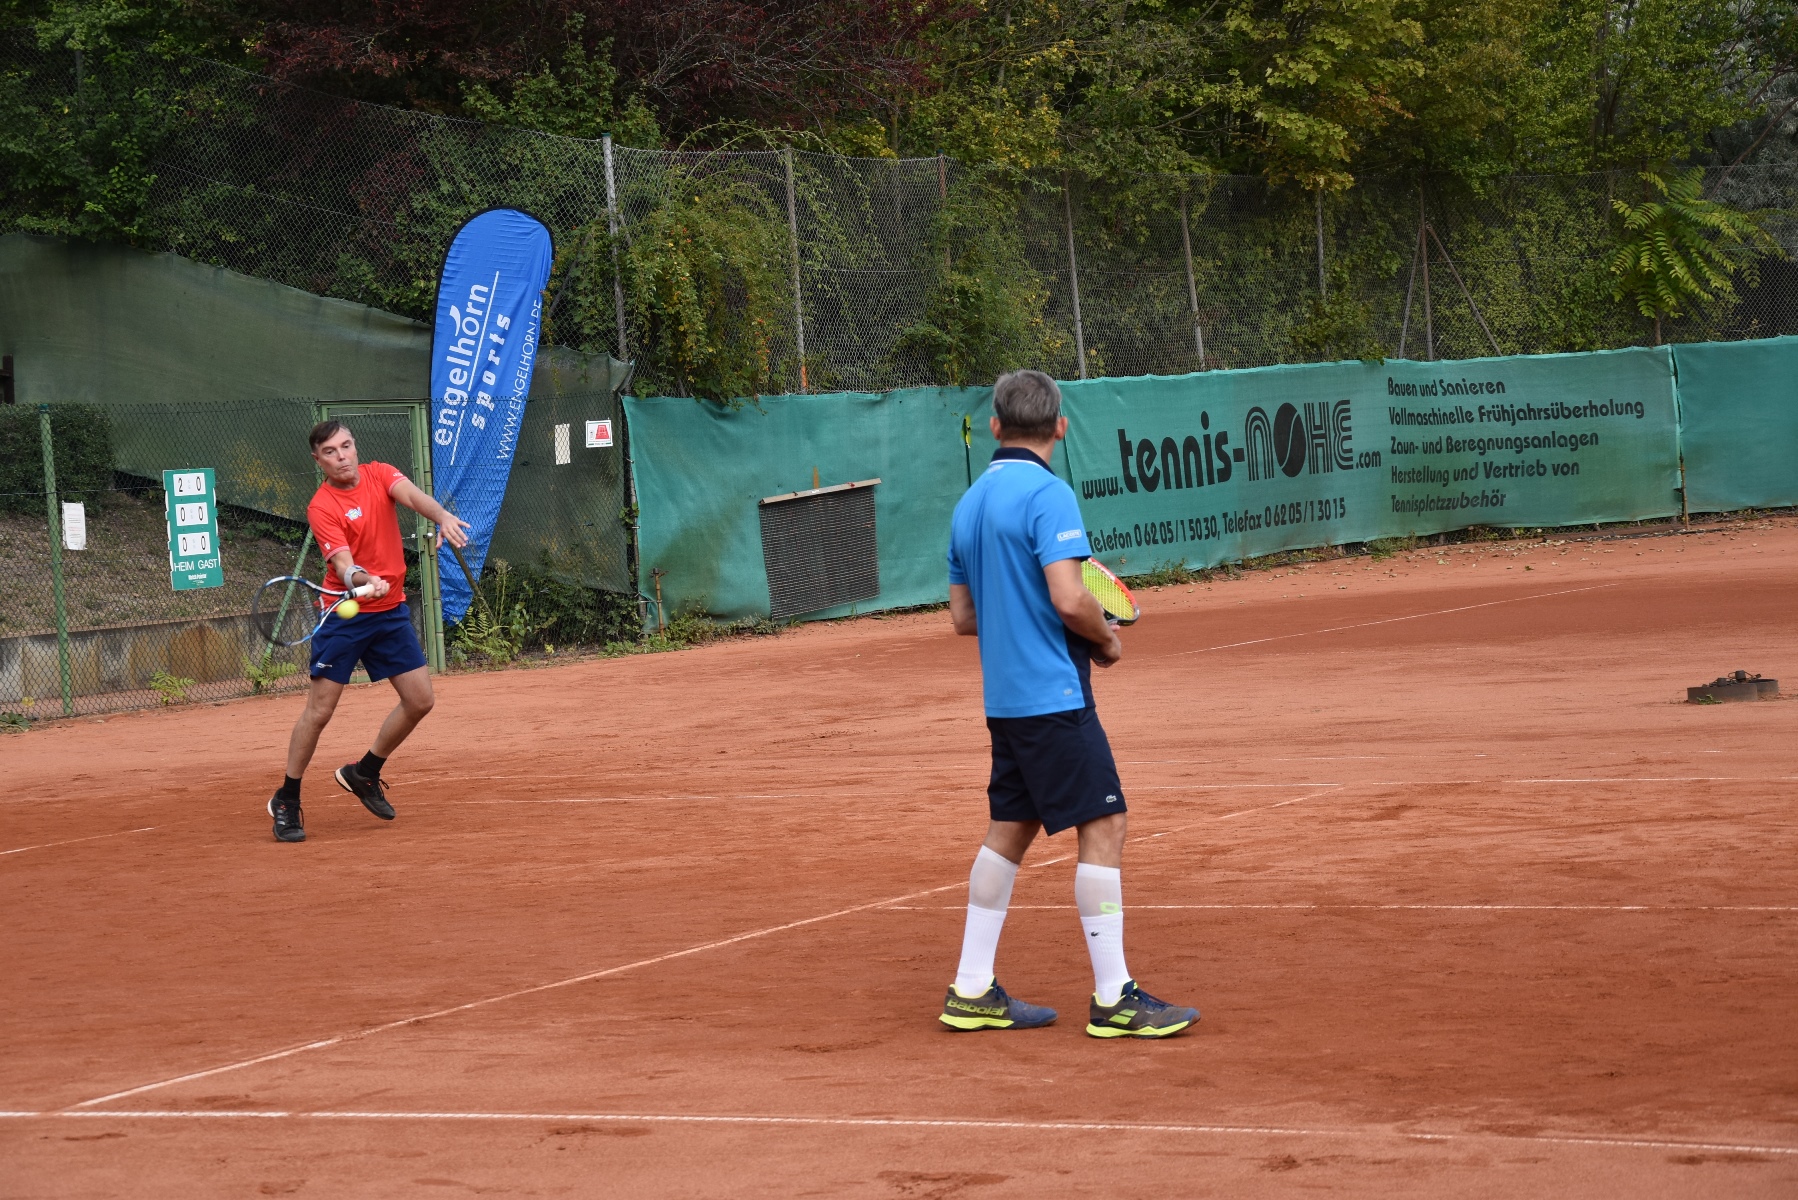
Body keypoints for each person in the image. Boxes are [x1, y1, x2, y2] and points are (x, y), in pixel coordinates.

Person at [939, 369, 1199, 1038]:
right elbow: (1068, 596)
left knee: (1010, 829)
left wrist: (1021, 615)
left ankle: (971, 988)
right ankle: (1115, 997)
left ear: (995, 426)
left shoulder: (969, 504)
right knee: (1104, 823)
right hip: (1054, 696)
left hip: (1006, 701)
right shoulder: (1049, 494)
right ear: (1059, 425)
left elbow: (964, 617)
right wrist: (1105, 640)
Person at [266, 421, 471, 843]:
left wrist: (442, 516)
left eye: (346, 446)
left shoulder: (380, 474)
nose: (342, 456)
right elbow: (342, 563)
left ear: (355, 446)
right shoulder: (322, 506)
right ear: (318, 460)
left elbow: (411, 496)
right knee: (319, 712)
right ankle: (287, 797)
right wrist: (363, 579)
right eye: (330, 451)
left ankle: (364, 772)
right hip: (346, 616)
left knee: (420, 700)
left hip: (390, 612)